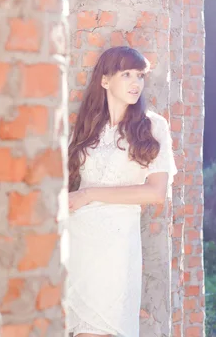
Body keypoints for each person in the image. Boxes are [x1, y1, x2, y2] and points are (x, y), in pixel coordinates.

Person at [66, 46, 177, 337]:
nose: (135, 83)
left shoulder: (152, 126)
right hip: (77, 243)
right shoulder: (89, 128)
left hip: (115, 247)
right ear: (105, 80)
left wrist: (89, 195)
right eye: (126, 74)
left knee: (104, 327)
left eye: (140, 75)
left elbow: (155, 192)